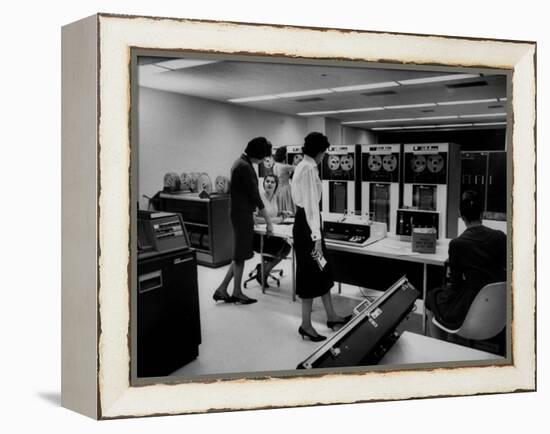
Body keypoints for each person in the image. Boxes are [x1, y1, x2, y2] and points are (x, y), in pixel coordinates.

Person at [291, 132, 351, 341]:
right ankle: (306, 325)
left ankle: (332, 316)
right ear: (319, 151)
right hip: (308, 228)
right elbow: (310, 207)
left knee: (323, 269)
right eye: (324, 152)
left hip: (308, 226)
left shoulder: (304, 166)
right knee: (310, 273)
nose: (324, 156)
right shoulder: (307, 168)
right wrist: (316, 237)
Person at [426, 190, 507, 335]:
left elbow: (455, 285)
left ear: (461, 216)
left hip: (471, 305)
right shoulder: (500, 236)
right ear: (482, 214)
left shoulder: (457, 244)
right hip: (499, 306)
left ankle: (438, 346)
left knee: (431, 298)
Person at [213, 137, 274, 305]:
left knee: (239, 254)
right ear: (258, 154)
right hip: (242, 214)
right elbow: (255, 197)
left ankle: (223, 289)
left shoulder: (240, 162)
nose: (263, 160)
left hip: (239, 212)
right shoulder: (245, 167)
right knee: (240, 255)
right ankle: (237, 292)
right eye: (263, 156)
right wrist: (268, 221)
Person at [252, 174, 292, 286]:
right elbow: (254, 219)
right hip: (259, 236)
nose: (269, 184)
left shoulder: (274, 197)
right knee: (282, 248)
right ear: (263, 183)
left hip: (272, 233)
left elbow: (271, 213)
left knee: (287, 247)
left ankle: (263, 270)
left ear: (276, 185)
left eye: (272, 182)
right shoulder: (259, 197)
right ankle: (263, 272)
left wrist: (281, 212)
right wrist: (273, 220)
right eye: (267, 181)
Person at [273, 146, 295, 214]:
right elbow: (298, 168)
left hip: (277, 189)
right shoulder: (285, 166)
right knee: (288, 208)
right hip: (286, 189)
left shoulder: (275, 165)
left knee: (280, 208)